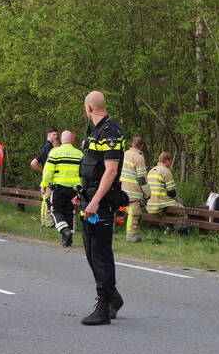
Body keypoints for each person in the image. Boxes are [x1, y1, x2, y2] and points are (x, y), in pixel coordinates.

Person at [76, 91, 126, 326]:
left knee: (100, 253)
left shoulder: (110, 132)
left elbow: (111, 170)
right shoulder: (94, 131)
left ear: (88, 108)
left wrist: (95, 201)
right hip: (88, 198)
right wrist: (82, 196)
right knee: (90, 252)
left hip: (102, 202)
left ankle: (104, 305)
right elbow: (90, 168)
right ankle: (113, 297)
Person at [40, 130, 82, 247]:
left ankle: (65, 231)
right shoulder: (79, 154)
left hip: (59, 188)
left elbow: (48, 171)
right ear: (72, 140)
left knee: (55, 210)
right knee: (70, 212)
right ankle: (68, 239)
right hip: (74, 189)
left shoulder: (55, 152)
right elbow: (83, 173)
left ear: (62, 139)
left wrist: (44, 185)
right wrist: (81, 189)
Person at [121, 136, 151, 243]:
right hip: (133, 193)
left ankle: (132, 235)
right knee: (134, 215)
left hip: (122, 190)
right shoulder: (139, 158)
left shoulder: (124, 154)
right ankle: (131, 237)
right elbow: (142, 178)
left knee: (123, 213)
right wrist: (148, 193)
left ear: (132, 143)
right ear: (141, 146)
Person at [30, 128, 59, 228]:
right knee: (49, 200)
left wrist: (43, 172)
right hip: (50, 178)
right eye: (54, 134)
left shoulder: (45, 146)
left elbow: (33, 163)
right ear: (48, 134)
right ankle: (50, 223)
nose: (56, 137)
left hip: (47, 177)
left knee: (45, 200)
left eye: (57, 135)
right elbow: (53, 160)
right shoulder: (49, 147)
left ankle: (45, 221)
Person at [147, 152, 184, 217]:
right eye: (170, 161)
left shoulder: (151, 171)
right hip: (161, 203)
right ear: (167, 161)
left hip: (150, 204)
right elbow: (171, 192)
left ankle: (169, 226)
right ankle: (182, 226)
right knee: (183, 209)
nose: (170, 163)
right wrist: (178, 199)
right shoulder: (166, 171)